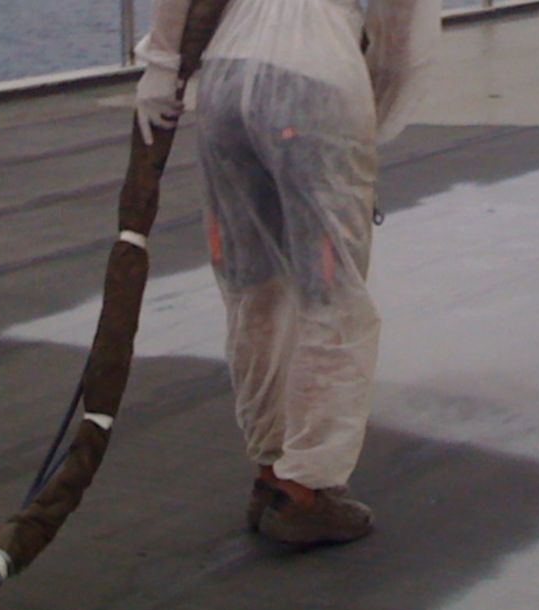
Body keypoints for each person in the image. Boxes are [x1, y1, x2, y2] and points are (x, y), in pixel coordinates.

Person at [134, 0, 440, 546]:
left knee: (253, 288)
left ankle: (270, 468)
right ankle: (307, 490)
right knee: (331, 297)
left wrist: (161, 65)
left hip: (226, 82)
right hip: (318, 86)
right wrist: (371, 116)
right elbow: (402, 36)